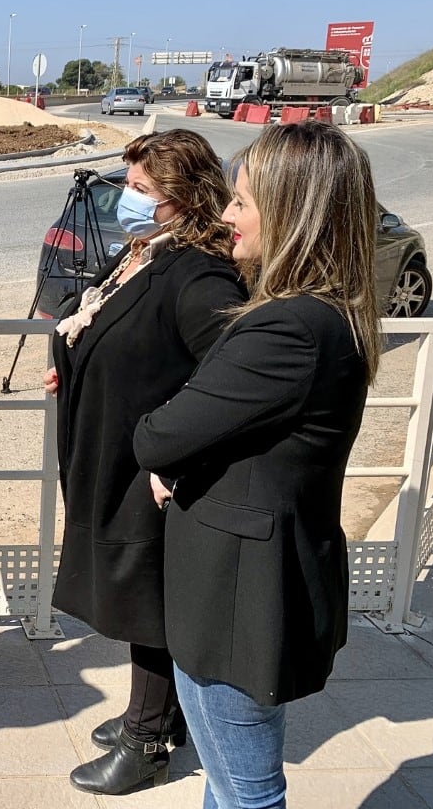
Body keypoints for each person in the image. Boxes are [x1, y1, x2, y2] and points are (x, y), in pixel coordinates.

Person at [134, 120, 382, 809]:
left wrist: (176, 449)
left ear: (293, 213)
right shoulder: (325, 317)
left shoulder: (288, 328)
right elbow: (258, 437)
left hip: (238, 600)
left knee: (248, 792)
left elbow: (157, 436)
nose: (227, 215)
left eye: (242, 201)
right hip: (250, 588)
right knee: (228, 778)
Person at [43, 129, 245, 795]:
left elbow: (229, 378)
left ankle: (148, 742)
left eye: (140, 190)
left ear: (182, 197)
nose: (126, 201)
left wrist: (178, 458)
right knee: (133, 592)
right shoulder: (147, 251)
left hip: (151, 469)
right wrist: (76, 362)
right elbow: (119, 327)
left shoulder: (200, 273)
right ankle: (156, 712)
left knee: (148, 600)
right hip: (113, 454)